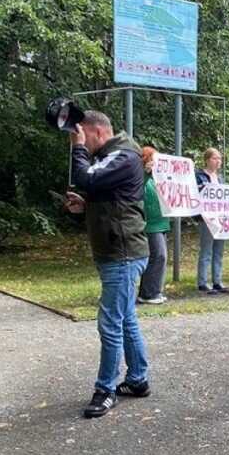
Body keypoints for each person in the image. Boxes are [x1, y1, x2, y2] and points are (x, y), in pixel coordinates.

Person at [65, 111, 151, 418]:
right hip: (116, 249)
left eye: (83, 135)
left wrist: (77, 148)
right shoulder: (112, 155)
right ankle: (138, 380)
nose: (79, 141)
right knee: (125, 318)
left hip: (123, 252)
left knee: (110, 322)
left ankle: (105, 389)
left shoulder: (124, 155)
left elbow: (85, 177)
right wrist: (86, 205)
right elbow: (115, 196)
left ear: (98, 132)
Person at [138, 145, 170, 305]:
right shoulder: (141, 177)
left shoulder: (158, 179)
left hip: (162, 222)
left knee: (159, 258)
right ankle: (149, 293)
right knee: (158, 256)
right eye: (154, 158)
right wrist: (145, 173)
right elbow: (136, 190)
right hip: (150, 224)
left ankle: (154, 290)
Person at [195, 148, 229, 294]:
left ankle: (217, 281)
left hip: (219, 218)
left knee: (218, 251)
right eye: (215, 158)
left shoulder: (220, 178)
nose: (218, 161)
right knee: (207, 250)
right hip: (206, 218)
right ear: (207, 160)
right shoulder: (199, 176)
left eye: (220, 159)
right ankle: (203, 281)